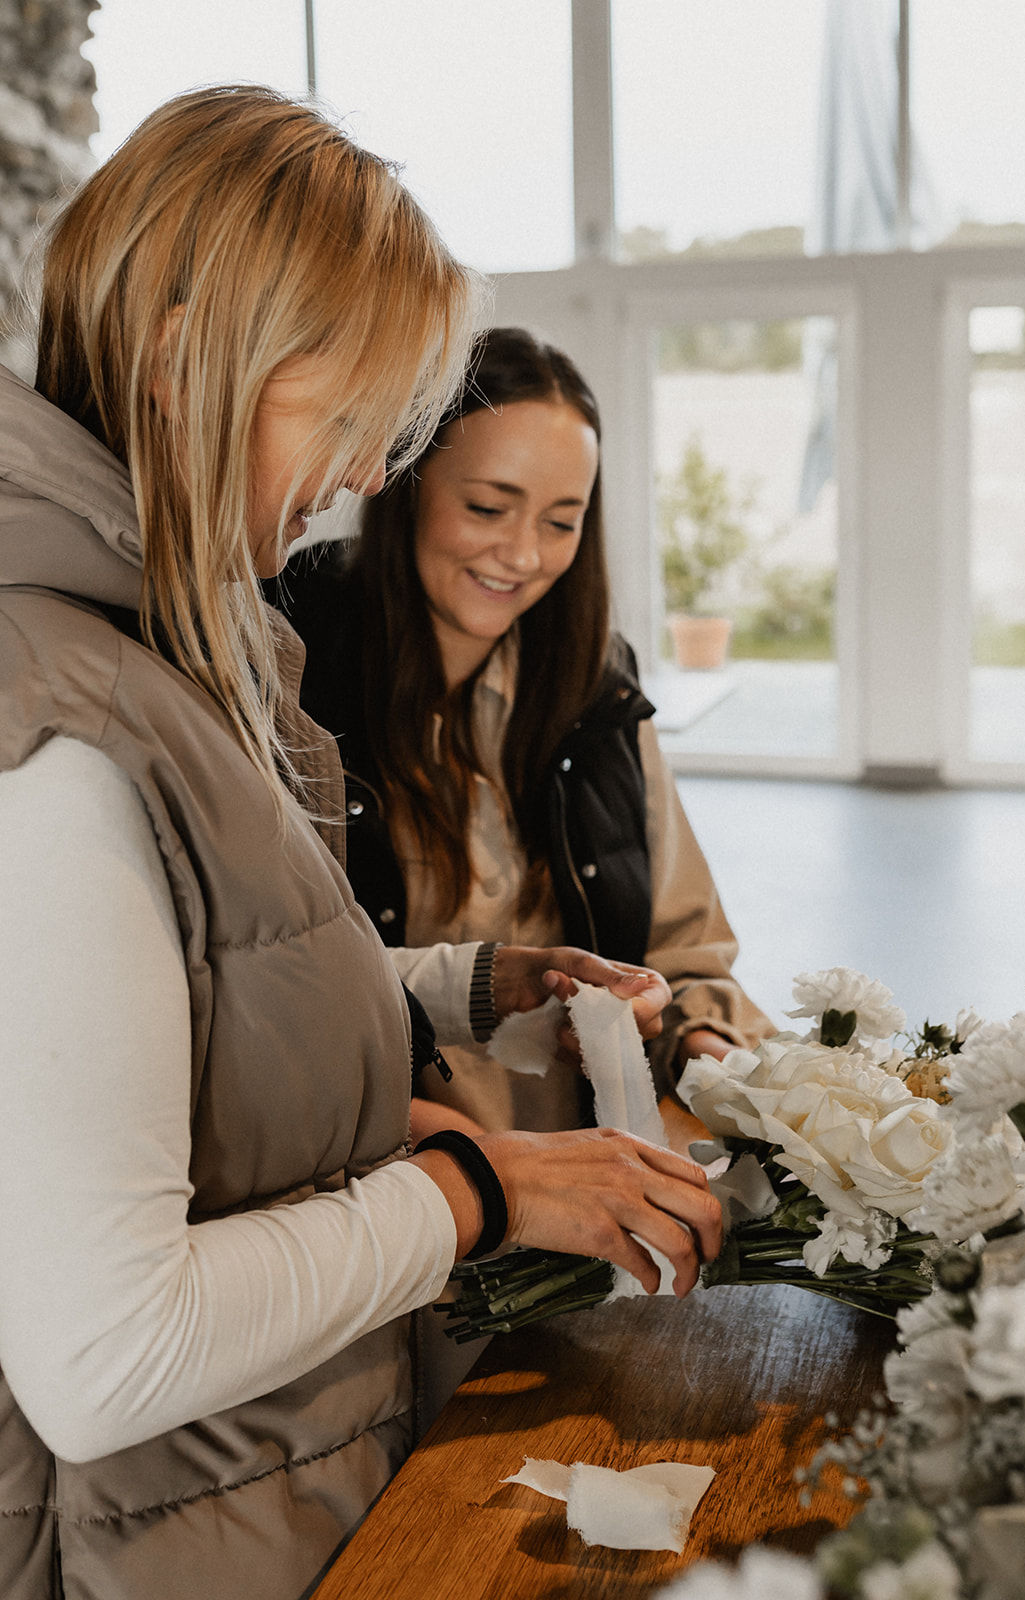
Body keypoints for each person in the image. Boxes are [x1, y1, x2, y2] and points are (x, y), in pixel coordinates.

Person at [0, 90, 723, 1600]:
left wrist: (458, 983)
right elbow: (108, 1352)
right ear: (190, 355)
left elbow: (181, 1013)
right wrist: (482, 1190)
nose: (364, 478)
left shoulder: (161, 649)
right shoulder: (64, 728)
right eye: (351, 420)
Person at [270, 326, 773, 1138]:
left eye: (560, 522)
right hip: (388, 1202)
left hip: (579, 1206)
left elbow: (682, 953)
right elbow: (261, 998)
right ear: (403, 479)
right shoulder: (281, 663)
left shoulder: (598, 687)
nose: (521, 554)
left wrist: (707, 1048)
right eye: (487, 507)